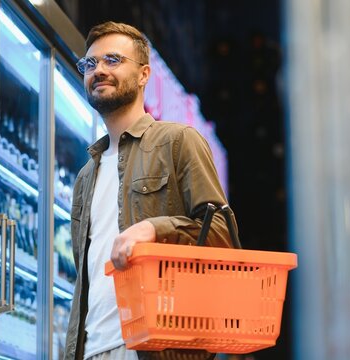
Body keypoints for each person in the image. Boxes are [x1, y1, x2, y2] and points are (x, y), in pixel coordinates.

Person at [64, 21, 238, 360]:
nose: (98, 70)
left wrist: (153, 229)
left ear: (144, 75)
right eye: (90, 63)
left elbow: (222, 235)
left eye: (112, 60)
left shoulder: (178, 141)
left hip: (155, 348)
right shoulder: (86, 176)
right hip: (91, 350)